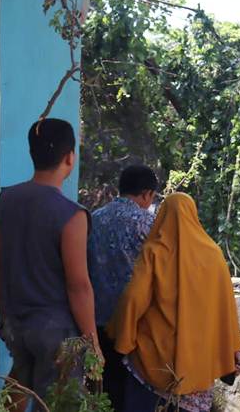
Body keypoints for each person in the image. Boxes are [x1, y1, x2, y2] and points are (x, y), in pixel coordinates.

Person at [0, 118, 98, 412]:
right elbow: (79, 286)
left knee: (17, 389)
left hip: (17, 323)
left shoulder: (5, 200)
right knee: (56, 404)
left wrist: (4, 317)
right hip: (56, 331)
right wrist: (92, 342)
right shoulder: (72, 215)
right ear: (70, 157)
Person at [107, 193, 240, 412]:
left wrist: (124, 340)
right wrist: (232, 349)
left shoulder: (155, 252)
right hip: (199, 365)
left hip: (155, 363)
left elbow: (134, 298)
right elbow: (225, 308)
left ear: (162, 216)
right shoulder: (214, 256)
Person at [87, 164, 158, 408]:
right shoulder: (150, 223)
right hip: (137, 325)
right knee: (136, 395)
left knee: (105, 393)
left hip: (97, 323)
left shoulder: (93, 219)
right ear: (147, 194)